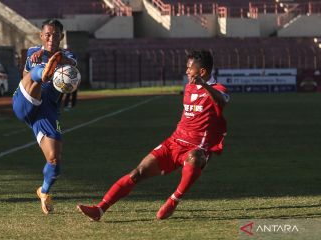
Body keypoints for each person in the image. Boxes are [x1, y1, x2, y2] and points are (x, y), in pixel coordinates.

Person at [77, 50, 230, 221]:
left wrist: (204, 85)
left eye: (189, 68)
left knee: (195, 157)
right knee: (137, 172)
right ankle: (100, 209)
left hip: (197, 147)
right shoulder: (188, 87)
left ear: (202, 72)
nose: (186, 71)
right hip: (174, 143)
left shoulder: (217, 89)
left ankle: (173, 200)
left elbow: (222, 100)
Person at [12, 19, 77, 214]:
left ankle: (44, 191)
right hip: (25, 99)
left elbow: (72, 64)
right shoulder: (33, 52)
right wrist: (43, 64)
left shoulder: (68, 56)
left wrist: (55, 58)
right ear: (41, 36)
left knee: (55, 160)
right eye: (47, 35)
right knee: (34, 74)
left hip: (47, 110)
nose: (51, 38)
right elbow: (24, 75)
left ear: (61, 37)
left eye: (55, 35)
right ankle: (44, 73)